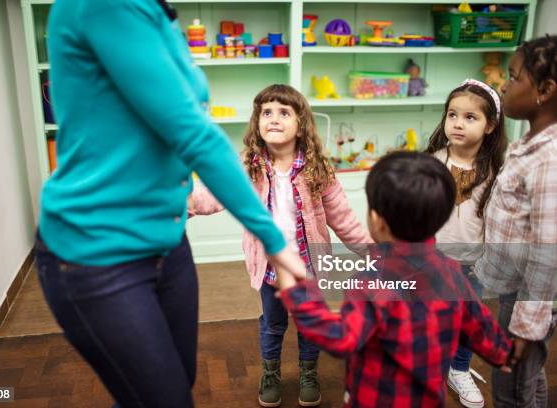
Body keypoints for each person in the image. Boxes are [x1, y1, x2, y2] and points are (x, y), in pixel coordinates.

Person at [34, 1, 305, 407]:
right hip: (97, 251)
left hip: (167, 242)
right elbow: (191, 130)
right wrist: (275, 242)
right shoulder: (100, 7)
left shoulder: (159, 13)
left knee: (171, 383)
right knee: (162, 397)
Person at [278, 152, 513, 407]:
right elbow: (480, 326)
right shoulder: (452, 273)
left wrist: (300, 295)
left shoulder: (368, 284)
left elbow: (342, 339)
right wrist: (503, 354)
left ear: (377, 222)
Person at [189, 84, 372, 407]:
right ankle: (270, 373)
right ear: (257, 122)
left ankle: (308, 373)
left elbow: (343, 219)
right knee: (273, 324)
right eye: (266, 112)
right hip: (270, 268)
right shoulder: (249, 165)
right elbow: (213, 193)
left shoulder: (318, 169)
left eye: (284, 112)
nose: (273, 119)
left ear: (300, 124)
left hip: (309, 266)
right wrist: (179, 203)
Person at [474, 34, 557, 408]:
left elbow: (547, 252)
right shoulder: (530, 144)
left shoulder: (550, 160)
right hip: (515, 289)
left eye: (513, 76)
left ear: (545, 89)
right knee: (529, 378)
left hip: (529, 299)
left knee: (511, 391)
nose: (503, 86)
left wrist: (526, 325)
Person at [425, 79, 508, 408]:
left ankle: (458, 369)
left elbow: (499, 222)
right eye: (452, 115)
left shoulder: (498, 171)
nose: (457, 123)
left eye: (470, 117)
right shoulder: (431, 163)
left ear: (490, 126)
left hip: (473, 265)